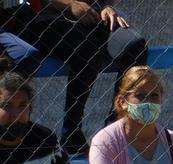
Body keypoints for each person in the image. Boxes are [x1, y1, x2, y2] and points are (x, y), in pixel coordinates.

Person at [0, 1, 147, 155]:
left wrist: (105, 7)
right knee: (87, 50)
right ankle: (72, 131)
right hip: (47, 17)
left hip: (94, 15)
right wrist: (70, 4)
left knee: (135, 45)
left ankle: (116, 126)